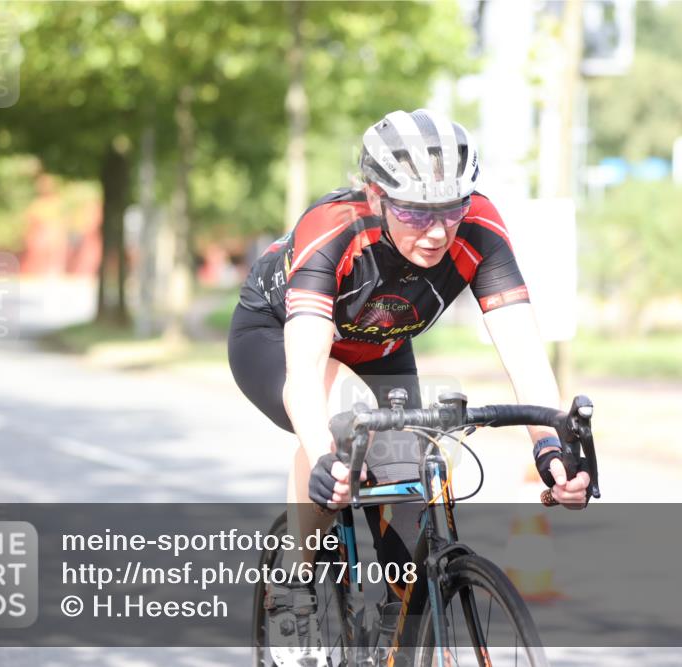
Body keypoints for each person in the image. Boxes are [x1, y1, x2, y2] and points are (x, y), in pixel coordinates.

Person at [228, 109, 590, 664]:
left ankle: (397, 627)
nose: (439, 231)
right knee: (343, 419)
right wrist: (328, 457)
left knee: (407, 479)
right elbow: (305, 376)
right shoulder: (335, 228)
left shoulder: (482, 228)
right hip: (278, 335)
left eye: (450, 209)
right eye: (414, 213)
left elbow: (523, 348)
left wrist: (549, 444)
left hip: (382, 345)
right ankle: (295, 589)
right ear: (375, 196)